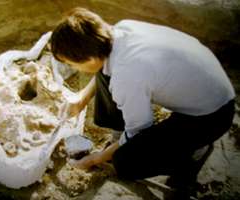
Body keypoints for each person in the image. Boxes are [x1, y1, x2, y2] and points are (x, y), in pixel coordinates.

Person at [51, 7, 235, 199]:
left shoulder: (126, 76)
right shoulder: (119, 31)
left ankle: (192, 155)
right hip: (208, 87)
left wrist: (95, 159)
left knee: (126, 161)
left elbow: (137, 132)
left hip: (212, 117)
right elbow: (104, 68)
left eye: (72, 63)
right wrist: (81, 99)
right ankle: (120, 135)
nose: (73, 67)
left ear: (88, 58)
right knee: (106, 77)